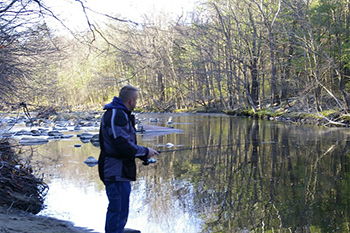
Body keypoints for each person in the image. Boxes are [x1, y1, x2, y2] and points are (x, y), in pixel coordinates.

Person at [98, 85, 159, 233]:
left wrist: (143, 155)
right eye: (137, 100)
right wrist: (145, 151)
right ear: (131, 101)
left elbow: (125, 145)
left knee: (120, 207)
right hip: (114, 169)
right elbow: (121, 145)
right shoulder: (117, 115)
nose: (137, 103)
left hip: (120, 169)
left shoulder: (121, 113)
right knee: (117, 208)